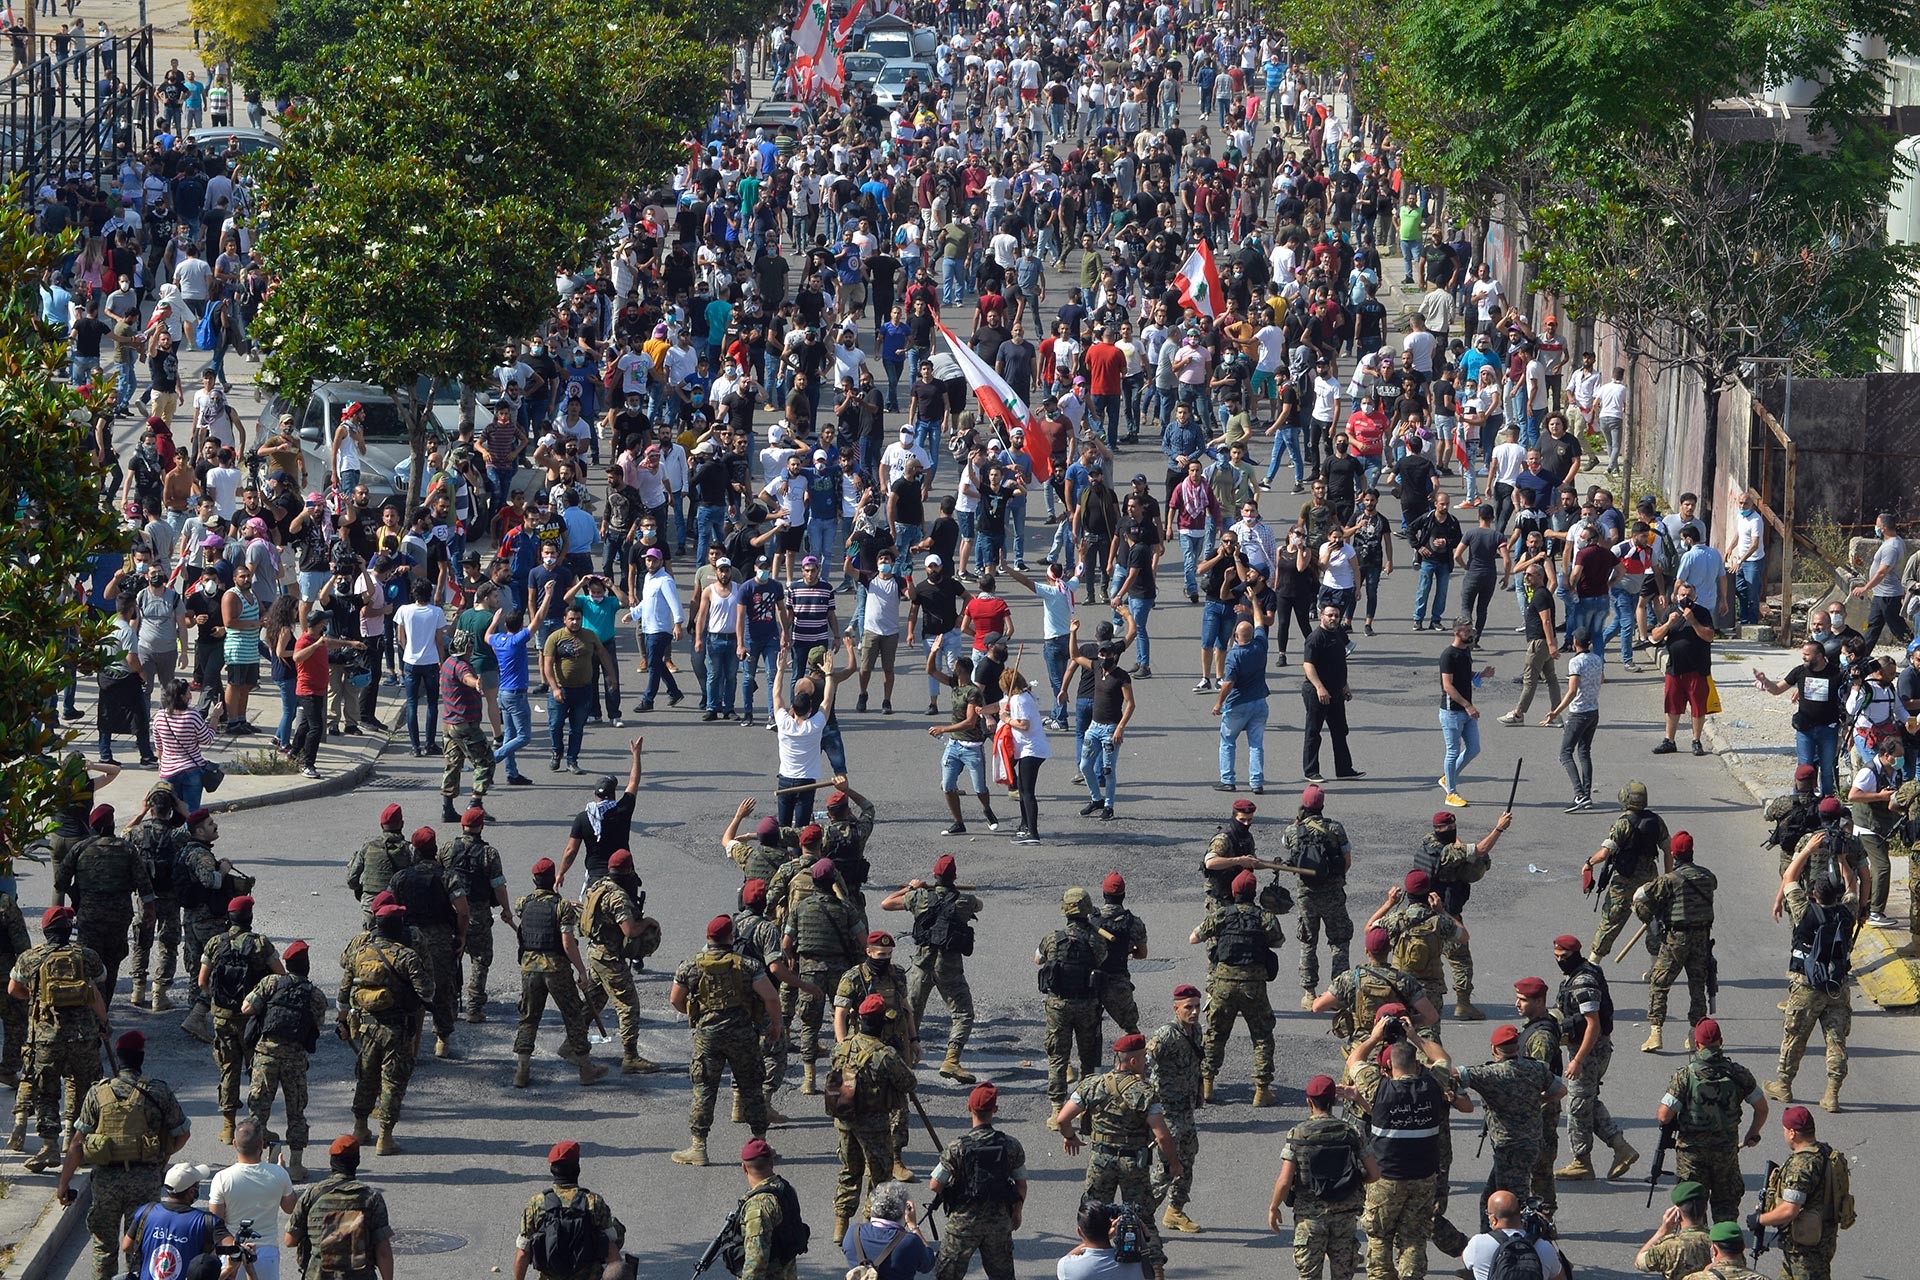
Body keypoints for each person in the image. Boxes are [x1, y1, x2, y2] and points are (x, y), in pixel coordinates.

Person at [55, 1030, 190, 1280]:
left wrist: (64, 1183)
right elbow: (182, 1133)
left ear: (118, 1057)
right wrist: (161, 1157)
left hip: (106, 1181)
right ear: (141, 1057)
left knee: (103, 1247)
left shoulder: (98, 1093)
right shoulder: (158, 1091)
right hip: (145, 1180)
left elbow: (77, 1143)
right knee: (139, 1247)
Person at [1053, 1033, 1183, 1280]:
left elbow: (1062, 1119)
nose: (1146, 1062)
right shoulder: (1143, 1092)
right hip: (1134, 1162)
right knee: (1142, 1218)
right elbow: (1163, 1136)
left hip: (1101, 1160)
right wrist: (1174, 1164)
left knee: (1093, 1217)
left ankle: (1086, 1265)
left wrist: (1070, 1137)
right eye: (1143, 1058)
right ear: (1132, 1062)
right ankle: (1154, 1270)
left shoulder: (1092, 1084)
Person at [1345, 1018, 1458, 1276]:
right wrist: (1415, 1037)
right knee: (1414, 1239)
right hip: (1423, 1178)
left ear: (1389, 1066)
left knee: (1379, 1237)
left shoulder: (1378, 1088)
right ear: (1417, 1066)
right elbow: (1444, 1059)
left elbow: (1353, 1062)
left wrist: (1374, 1037)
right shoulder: (1432, 1085)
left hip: (1386, 1179)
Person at [9, 905, 107, 1172]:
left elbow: (13, 989)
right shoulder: (87, 956)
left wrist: (38, 997)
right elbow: (96, 988)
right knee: (85, 1089)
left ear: (44, 930)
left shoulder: (31, 958)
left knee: (46, 1091)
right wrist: (104, 1023)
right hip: (83, 1037)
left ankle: (49, 1147)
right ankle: (78, 1146)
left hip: (46, 1038)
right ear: (68, 930)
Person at [336, 901, 433, 1154]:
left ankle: (360, 1127)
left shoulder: (361, 952)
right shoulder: (406, 956)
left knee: (366, 1076)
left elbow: (344, 991)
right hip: (397, 1030)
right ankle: (385, 1137)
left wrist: (343, 1020)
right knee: (392, 1081)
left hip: (367, 1028)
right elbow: (428, 992)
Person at [1657, 1016, 1767, 1223]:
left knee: (1693, 1211)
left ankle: (1699, 1248)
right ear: (1721, 1041)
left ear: (1697, 1044)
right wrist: (1753, 1132)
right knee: (1726, 1209)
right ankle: (1725, 1250)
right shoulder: (1738, 1073)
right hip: (1725, 1154)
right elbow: (1761, 1108)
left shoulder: (1685, 1076)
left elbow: (1664, 1115)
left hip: (1692, 1158)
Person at [882, 855, 981, 1084]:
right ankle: (952, 1060)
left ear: (934, 876)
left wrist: (911, 887)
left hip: (921, 966)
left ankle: (905, 1062)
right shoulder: (965, 901)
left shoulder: (919, 897)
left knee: (912, 1014)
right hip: (949, 968)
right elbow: (980, 905)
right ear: (954, 877)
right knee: (963, 1013)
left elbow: (886, 904)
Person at [828, 993, 917, 1246]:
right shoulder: (884, 1055)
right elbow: (908, 1082)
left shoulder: (841, 1046)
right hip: (874, 1124)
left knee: (849, 1171)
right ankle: (869, 1224)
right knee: (879, 1177)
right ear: (879, 1023)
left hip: (845, 1120)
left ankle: (841, 1224)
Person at [1267, 1072, 1376, 1277]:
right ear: (1333, 1101)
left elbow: (1284, 1181)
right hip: (1344, 1217)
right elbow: (1375, 1173)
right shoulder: (1352, 1132)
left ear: (1309, 1102)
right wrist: (1354, 1182)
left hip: (1310, 1219)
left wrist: (1274, 1208)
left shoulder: (1298, 1134)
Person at [511, 858, 607, 1089]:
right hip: (556, 970)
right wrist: (582, 971)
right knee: (573, 1016)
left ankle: (522, 1070)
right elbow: (567, 943)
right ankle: (586, 1069)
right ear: (553, 878)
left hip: (529, 969)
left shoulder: (523, 903)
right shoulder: (562, 907)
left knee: (529, 1017)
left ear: (534, 880)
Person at [1189, 870, 1284, 1105]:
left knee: (1216, 1033)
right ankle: (1262, 1089)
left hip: (1223, 984)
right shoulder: (1265, 918)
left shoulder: (1222, 914)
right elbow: (1278, 941)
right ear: (1254, 892)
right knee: (1262, 1036)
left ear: (1233, 891)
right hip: (1254, 986)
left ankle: (1207, 1084)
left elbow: (1194, 938)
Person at [1550, 933, 1639, 1182]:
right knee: (1587, 1100)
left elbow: (1593, 1025)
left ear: (1575, 955)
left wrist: (1578, 1059)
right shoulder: (1578, 974)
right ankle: (1621, 1147)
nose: (1560, 960)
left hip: (1589, 1052)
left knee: (1577, 1106)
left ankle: (1582, 1161)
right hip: (1589, 1050)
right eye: (1556, 956)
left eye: (1564, 956)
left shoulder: (1584, 982)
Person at [197, 894, 285, 1143]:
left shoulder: (215, 943)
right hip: (251, 1019)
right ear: (250, 917)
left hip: (222, 1019)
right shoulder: (260, 944)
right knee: (257, 1073)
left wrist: (217, 1001)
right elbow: (280, 977)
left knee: (228, 1069)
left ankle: (228, 1128)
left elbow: (202, 981)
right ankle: (258, 1128)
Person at [1763, 874, 1854, 1114]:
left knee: (1795, 1037)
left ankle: (1783, 1085)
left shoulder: (1805, 911)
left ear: (1814, 894)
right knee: (1836, 1041)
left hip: (1807, 986)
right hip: (1837, 986)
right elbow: (1854, 885)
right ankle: (1832, 1094)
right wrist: (1843, 858)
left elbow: (1789, 876)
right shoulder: (1847, 913)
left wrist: (1807, 850)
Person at [241, 939, 328, 1182]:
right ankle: (296, 1166)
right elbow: (317, 1025)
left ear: (287, 965)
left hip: (266, 1056)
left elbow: (246, 1007)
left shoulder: (271, 983)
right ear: (307, 966)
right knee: (296, 1111)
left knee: (258, 1108)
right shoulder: (316, 995)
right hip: (295, 1060)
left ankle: (254, 1164)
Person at [52, 802, 154, 1007]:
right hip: (119, 915)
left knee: (88, 962)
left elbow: (60, 882)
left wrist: (78, 895)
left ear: (93, 827)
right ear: (112, 825)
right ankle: (103, 1009)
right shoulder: (127, 849)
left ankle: (89, 1009)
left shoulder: (80, 848)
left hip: (89, 916)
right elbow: (144, 884)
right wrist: (150, 912)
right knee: (112, 963)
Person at [928, 1083, 1025, 1280]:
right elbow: (1021, 1184)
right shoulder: (1011, 1145)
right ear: (995, 1110)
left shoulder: (956, 1147)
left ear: (969, 1108)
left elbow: (935, 1185)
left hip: (962, 1223)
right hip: (998, 1222)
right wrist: (1016, 1212)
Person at [1457, 1026, 1565, 1203]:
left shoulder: (1489, 1074)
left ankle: (1520, 1230)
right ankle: (1491, 1229)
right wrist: (1537, 1101)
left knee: (1513, 1202)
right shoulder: (1536, 1068)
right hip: (1532, 1142)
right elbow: (1561, 1090)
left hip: (1509, 1147)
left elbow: (1456, 1074)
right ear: (1517, 1047)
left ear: (1493, 1048)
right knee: (1489, 1199)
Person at [387, 831, 468, 1060]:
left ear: (415, 850)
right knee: (441, 989)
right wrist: (461, 937)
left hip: (408, 941)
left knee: (407, 988)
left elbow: (387, 907)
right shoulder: (447, 876)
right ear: (435, 849)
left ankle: (409, 1041)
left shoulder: (400, 877)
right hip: (439, 941)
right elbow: (463, 911)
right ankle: (442, 1039)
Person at [1634, 831, 1718, 1054]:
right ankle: (1694, 1035)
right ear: (1692, 852)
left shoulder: (1668, 880)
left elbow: (1640, 898)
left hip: (1675, 940)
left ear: (1673, 853)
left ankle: (1655, 1033)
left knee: (1659, 983)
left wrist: (1649, 917)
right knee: (1697, 986)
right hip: (1701, 938)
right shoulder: (1708, 876)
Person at [580, 849, 657, 1076]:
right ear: (628, 869)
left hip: (595, 953)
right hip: (610, 958)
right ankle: (630, 1057)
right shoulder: (618, 897)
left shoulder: (598, 886)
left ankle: (572, 1043)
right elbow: (630, 930)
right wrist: (649, 922)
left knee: (595, 1000)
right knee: (629, 1005)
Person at [1753, 1105, 1851, 1280]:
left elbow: (1790, 1210)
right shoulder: (1825, 1152)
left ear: (1792, 1133)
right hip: (1822, 1238)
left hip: (1805, 1250)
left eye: (1784, 1130)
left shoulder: (1801, 1166)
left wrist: (1760, 1220)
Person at [1036, 888, 1109, 1121]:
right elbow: (1102, 959)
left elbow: (1038, 959)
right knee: (1088, 1057)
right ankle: (1083, 1106)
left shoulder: (1052, 939)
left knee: (1058, 1057)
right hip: (1087, 1005)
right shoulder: (1096, 940)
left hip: (1058, 1005)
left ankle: (1057, 1109)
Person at [286, 1135, 395, 1280]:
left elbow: (289, 1240)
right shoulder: (371, 1198)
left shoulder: (313, 1195)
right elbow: (383, 1252)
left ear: (332, 1162)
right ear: (357, 1162)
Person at [1283, 784, 1354, 1006]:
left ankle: (1309, 993)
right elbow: (1347, 861)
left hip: (1306, 895)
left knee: (1307, 942)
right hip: (1332, 893)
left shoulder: (1293, 831)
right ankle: (1338, 994)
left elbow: (1289, 850)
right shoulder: (1335, 829)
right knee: (1339, 942)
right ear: (1322, 805)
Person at [1585, 780, 1671, 959]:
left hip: (1624, 880)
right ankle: (1655, 965)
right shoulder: (1656, 821)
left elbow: (1604, 853)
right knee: (1653, 921)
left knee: (1611, 920)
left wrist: (1589, 863)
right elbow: (1667, 850)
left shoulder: (1622, 824)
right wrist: (1667, 877)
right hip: (1650, 879)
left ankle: (1593, 962)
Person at [514, 1139, 622, 1280]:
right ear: (577, 1169)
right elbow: (611, 1250)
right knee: (615, 1228)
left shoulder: (537, 1203)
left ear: (552, 1170)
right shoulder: (593, 1202)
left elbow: (523, 1253)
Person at [445, 807, 514, 1024]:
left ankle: (449, 1007)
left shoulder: (447, 849)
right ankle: (474, 1008)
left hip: (451, 913)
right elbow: (499, 886)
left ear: (462, 826)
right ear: (481, 827)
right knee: (480, 959)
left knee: (449, 959)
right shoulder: (489, 854)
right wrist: (506, 909)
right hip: (478, 915)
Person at [1147, 985, 1205, 1233]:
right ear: (1176, 1009)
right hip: (1167, 1112)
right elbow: (1144, 1062)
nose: (1193, 1012)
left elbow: (1195, 1063)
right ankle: (1140, 1216)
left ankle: (1175, 1211)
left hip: (1186, 1108)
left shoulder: (1196, 1031)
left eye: (1196, 1007)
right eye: (1188, 1007)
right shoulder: (1166, 1035)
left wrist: (1199, 1089)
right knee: (1167, 1166)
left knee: (1189, 1157)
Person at [209, 1119, 298, 1280]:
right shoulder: (278, 1174)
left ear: (235, 1144)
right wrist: (283, 1173)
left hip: (232, 1253)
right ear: (261, 1145)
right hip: (266, 1253)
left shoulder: (222, 1178)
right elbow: (290, 1207)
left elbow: (215, 1220)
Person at [541, 603, 618, 773]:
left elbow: (604, 655)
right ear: (564, 620)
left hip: (583, 690)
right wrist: (554, 688)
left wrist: (612, 676)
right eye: (571, 619)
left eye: (578, 619)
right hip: (561, 691)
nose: (575, 622)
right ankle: (556, 752)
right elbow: (547, 666)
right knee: (555, 725)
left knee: (577, 728)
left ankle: (572, 760)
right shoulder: (555, 637)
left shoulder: (590, 636)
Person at [123, 1162, 229, 1280]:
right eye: (198, 1185)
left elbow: (126, 1246)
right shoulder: (208, 1221)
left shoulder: (146, 1211)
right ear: (192, 1192)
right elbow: (232, 1249)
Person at [1211, 599, 1272, 794]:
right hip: (1260, 702)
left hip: (1238, 704)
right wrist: (1254, 601)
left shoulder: (1234, 655)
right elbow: (1259, 621)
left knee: (1228, 741)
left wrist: (1218, 703)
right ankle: (1256, 782)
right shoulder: (1261, 645)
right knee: (1256, 744)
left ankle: (1227, 779)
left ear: (1236, 636)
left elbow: (1228, 683)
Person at [1543, 627, 1604, 811]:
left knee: (1565, 753)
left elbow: (1572, 690)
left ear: (1575, 642)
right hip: (1594, 710)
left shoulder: (1575, 662)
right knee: (1584, 752)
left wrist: (1556, 711)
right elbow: (1600, 679)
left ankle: (1579, 794)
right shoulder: (1597, 659)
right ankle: (1586, 795)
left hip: (1578, 713)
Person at [1652, 579, 1715, 756]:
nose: (1685, 598)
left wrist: (1693, 621)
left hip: (1697, 668)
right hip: (1675, 668)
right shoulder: (1670, 612)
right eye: (1682, 595)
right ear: (1676, 596)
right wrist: (1668, 624)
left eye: (1689, 596)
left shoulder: (1702, 613)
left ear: (1695, 597)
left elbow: (1709, 636)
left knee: (1697, 707)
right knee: (1672, 706)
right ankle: (1669, 740)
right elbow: (1655, 637)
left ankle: (1696, 740)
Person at [1300, 601, 1362, 783]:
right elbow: (1308, 665)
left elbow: (1340, 663)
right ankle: (1311, 771)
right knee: (1313, 731)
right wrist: (1320, 687)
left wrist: (1345, 685)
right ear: (1322, 616)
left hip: (1336, 691)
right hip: (1317, 692)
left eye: (1336, 615)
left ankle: (1344, 769)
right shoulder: (1315, 638)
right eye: (1330, 615)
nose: (1334, 618)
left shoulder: (1338, 634)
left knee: (1340, 730)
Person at [1438, 616, 1494, 808]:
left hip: (1466, 711)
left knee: (1474, 748)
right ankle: (1451, 793)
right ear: (1457, 632)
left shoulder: (1466, 652)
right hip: (1452, 712)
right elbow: (1448, 685)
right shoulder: (1448, 655)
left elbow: (1464, 675)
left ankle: (1448, 778)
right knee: (1453, 751)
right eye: (1467, 631)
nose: (1470, 634)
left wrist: (1480, 674)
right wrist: (1467, 706)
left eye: (1471, 630)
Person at [1091, 873, 1150, 1037]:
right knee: (1131, 1028)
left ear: (1104, 895)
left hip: (1091, 980)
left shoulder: (1091, 919)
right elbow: (1142, 954)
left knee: (1083, 1027)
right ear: (1123, 895)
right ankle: (1139, 1059)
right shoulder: (1134, 922)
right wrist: (1130, 952)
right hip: (1117, 980)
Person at [1461, 1190, 1565, 1280]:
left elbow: (1465, 1260)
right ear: (1519, 1213)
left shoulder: (1478, 1244)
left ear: (1493, 1219)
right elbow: (1558, 1275)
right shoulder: (1544, 1247)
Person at [842, 1181, 934, 1280]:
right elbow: (928, 1263)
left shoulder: (853, 1232)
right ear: (904, 1210)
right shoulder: (910, 1242)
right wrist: (913, 1225)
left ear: (873, 1206)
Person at [999, 668, 1050, 843]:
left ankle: (1033, 833)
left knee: (1027, 792)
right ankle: (1024, 825)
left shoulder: (1020, 700)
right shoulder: (1021, 696)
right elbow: (1000, 704)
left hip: (1031, 750)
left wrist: (1006, 719)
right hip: (1028, 749)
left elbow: (1024, 725)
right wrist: (983, 710)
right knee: (1022, 788)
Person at [1633, 1181, 1713, 1280]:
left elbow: (1639, 1262)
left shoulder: (1668, 1247)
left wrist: (1662, 1231)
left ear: (1677, 1212)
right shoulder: (1718, 1243)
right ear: (1705, 1208)